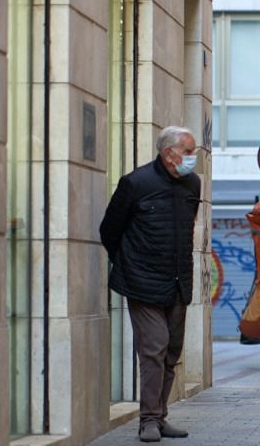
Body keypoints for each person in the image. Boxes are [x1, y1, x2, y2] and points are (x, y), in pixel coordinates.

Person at [100, 126, 202, 442]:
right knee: (154, 347)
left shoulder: (192, 184)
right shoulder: (136, 183)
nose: (192, 158)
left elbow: (187, 229)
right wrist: (131, 265)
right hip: (142, 282)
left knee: (171, 352)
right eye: (188, 151)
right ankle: (148, 420)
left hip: (178, 281)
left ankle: (159, 416)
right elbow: (110, 230)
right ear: (167, 152)